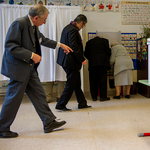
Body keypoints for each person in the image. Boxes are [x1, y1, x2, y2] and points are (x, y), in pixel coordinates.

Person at [0, 4, 73, 138]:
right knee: (13, 99)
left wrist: (60, 45)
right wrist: (31, 55)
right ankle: (2, 128)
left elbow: (42, 40)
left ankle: (49, 121)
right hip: (18, 68)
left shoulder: (33, 26)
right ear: (35, 17)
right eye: (44, 19)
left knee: (39, 94)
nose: (45, 22)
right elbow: (11, 46)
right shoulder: (19, 24)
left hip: (29, 68)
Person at [55, 14, 91, 111]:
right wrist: (82, 59)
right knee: (71, 83)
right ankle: (61, 104)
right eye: (83, 25)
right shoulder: (73, 30)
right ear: (81, 23)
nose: (82, 27)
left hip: (67, 60)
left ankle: (82, 103)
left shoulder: (67, 28)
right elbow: (74, 46)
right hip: (70, 61)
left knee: (76, 82)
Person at [84, 36, 111, 101]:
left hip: (92, 63)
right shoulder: (105, 41)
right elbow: (109, 52)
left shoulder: (88, 42)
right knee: (103, 80)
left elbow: (85, 53)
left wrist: (91, 58)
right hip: (103, 63)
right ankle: (103, 97)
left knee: (93, 80)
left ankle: (94, 97)